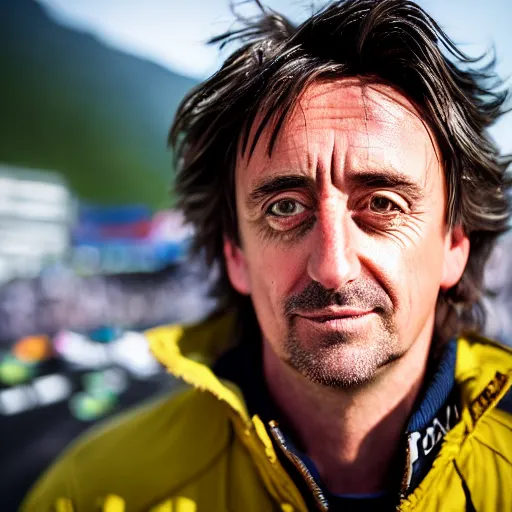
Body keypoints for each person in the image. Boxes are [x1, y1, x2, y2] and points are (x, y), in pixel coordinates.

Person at [21, 0, 512, 510]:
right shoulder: (91, 493)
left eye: (383, 204)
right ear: (234, 252)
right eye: (284, 207)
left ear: (456, 240)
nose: (333, 265)